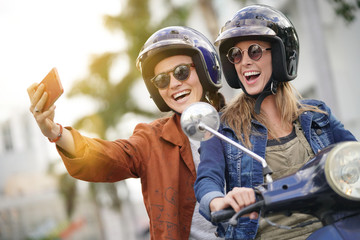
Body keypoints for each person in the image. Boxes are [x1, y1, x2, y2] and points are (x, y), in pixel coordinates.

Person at [27, 26, 225, 239]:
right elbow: (109, 156)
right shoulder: (152, 140)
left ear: (205, 70)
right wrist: (55, 132)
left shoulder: (242, 124)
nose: (174, 84)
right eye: (161, 80)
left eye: (181, 72)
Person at [194, 4, 357, 240]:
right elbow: (207, 179)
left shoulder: (317, 115)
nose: (244, 61)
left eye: (254, 51)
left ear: (281, 55)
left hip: (337, 230)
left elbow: (354, 157)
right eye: (236, 55)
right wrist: (218, 200)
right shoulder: (223, 127)